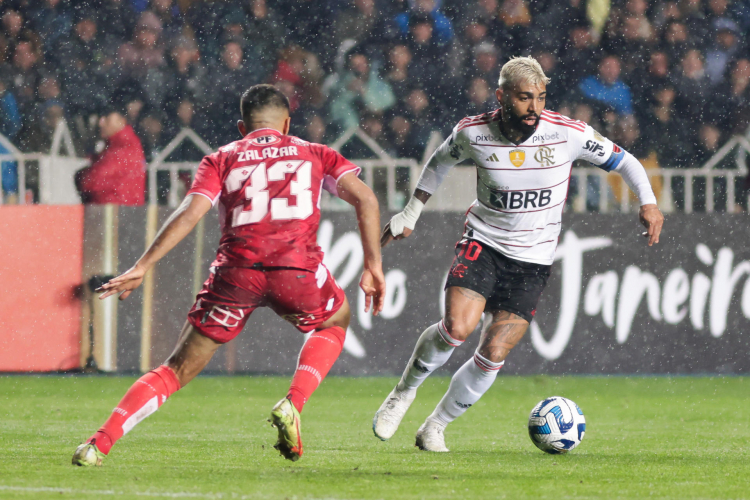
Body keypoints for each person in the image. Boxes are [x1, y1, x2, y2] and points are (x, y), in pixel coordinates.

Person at [72, 84, 385, 466]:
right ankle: (293, 402)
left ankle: (97, 444)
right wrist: (373, 266)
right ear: (286, 123)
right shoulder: (316, 153)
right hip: (295, 269)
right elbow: (367, 199)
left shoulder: (221, 158)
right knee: (336, 320)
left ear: (242, 127)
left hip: (236, 274)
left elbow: (190, 212)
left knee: (175, 370)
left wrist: (143, 264)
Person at [372, 56, 663, 452]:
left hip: (533, 262)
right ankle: (403, 393)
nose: (534, 108)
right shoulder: (473, 133)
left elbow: (624, 160)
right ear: (502, 95)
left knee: (493, 351)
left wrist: (647, 202)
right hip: (484, 244)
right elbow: (439, 162)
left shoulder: (568, 133)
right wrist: (411, 211)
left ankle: (434, 426)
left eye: (541, 98)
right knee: (457, 328)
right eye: (525, 98)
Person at [74, 106, 146, 205]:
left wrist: (80, 175)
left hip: (117, 212)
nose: (101, 123)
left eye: (107, 119)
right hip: (122, 210)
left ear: (121, 121)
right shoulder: (118, 144)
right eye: (100, 119)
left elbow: (93, 181)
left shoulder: (124, 146)